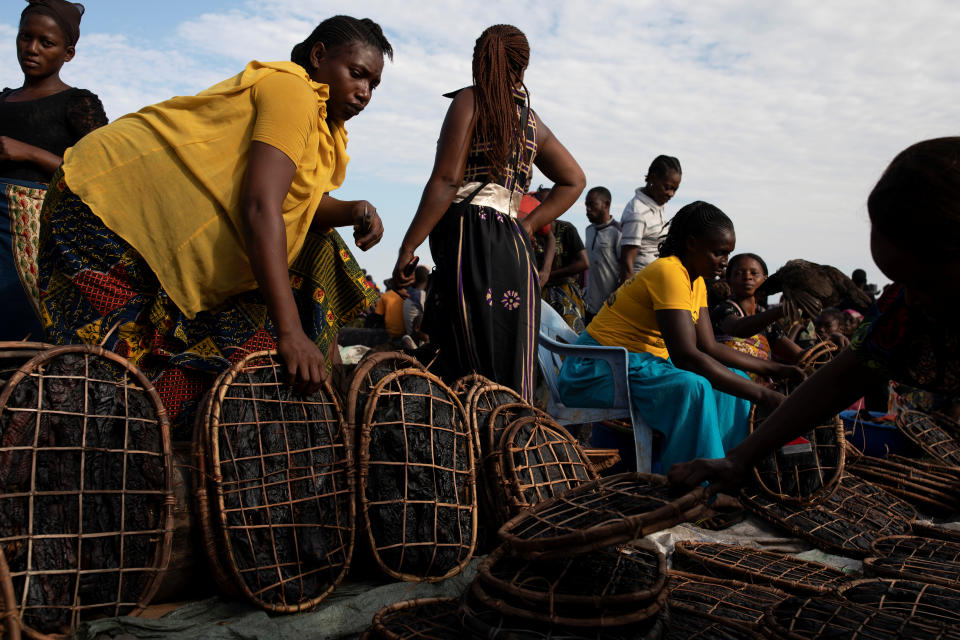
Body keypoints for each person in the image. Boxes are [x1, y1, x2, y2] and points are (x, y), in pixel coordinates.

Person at [38, 15, 392, 435]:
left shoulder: (324, 129)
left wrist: (354, 209)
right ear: (318, 56)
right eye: (357, 74)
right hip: (102, 207)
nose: (365, 93)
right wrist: (290, 331)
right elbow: (261, 206)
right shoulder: (293, 90)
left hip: (140, 228)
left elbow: (299, 201)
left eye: (373, 84)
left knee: (320, 246)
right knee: (106, 381)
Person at [669, 138, 960, 494]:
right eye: (901, 282)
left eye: (924, 282)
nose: (910, 301)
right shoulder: (904, 309)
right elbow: (848, 374)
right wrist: (739, 458)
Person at [391, 24, 585, 401]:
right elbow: (574, 180)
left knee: (466, 360)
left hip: (472, 238)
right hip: (513, 245)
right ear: (523, 67)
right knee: (507, 360)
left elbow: (447, 180)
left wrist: (408, 245)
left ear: (481, 59)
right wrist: (527, 223)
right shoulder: (531, 121)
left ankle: (471, 444)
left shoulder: (469, 101)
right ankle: (507, 443)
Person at [557, 201, 802, 470]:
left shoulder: (695, 281)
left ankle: (728, 470)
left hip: (635, 365)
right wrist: (763, 396)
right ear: (692, 243)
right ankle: (691, 483)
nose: (724, 262)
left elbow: (709, 346)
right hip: (596, 371)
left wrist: (775, 368)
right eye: (719, 253)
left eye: (727, 254)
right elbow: (686, 356)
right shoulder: (669, 272)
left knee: (736, 383)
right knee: (692, 387)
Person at [1, 0, 106, 340]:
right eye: (24, 37)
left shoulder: (78, 103)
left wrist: (29, 154)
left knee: (24, 326)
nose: (31, 49)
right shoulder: (2, 101)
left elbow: (102, 173)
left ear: (68, 53)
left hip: (34, 234)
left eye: (46, 43)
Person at [711, 253, 804, 372]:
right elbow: (738, 328)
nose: (747, 277)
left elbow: (798, 355)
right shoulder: (723, 310)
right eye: (739, 273)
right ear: (729, 279)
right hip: (727, 385)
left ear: (766, 280)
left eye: (754, 273)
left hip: (761, 387)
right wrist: (784, 309)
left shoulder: (766, 320)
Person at [619, 155, 681, 283]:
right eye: (667, 187)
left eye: (675, 189)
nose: (671, 194)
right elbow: (627, 262)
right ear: (653, 178)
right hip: (641, 286)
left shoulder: (657, 206)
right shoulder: (637, 213)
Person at [536, 219, 589, 332]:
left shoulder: (566, 229)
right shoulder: (529, 229)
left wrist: (548, 275)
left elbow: (584, 262)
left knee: (568, 333)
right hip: (538, 292)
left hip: (565, 294)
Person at [584, 186, 621, 324]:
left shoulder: (617, 232)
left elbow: (625, 270)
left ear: (606, 205)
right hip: (589, 307)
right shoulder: (589, 230)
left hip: (609, 309)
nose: (587, 209)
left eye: (592, 204)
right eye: (586, 205)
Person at [403, 265, 430, 342]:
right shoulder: (421, 295)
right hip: (419, 336)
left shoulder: (409, 292)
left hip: (410, 332)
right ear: (427, 279)